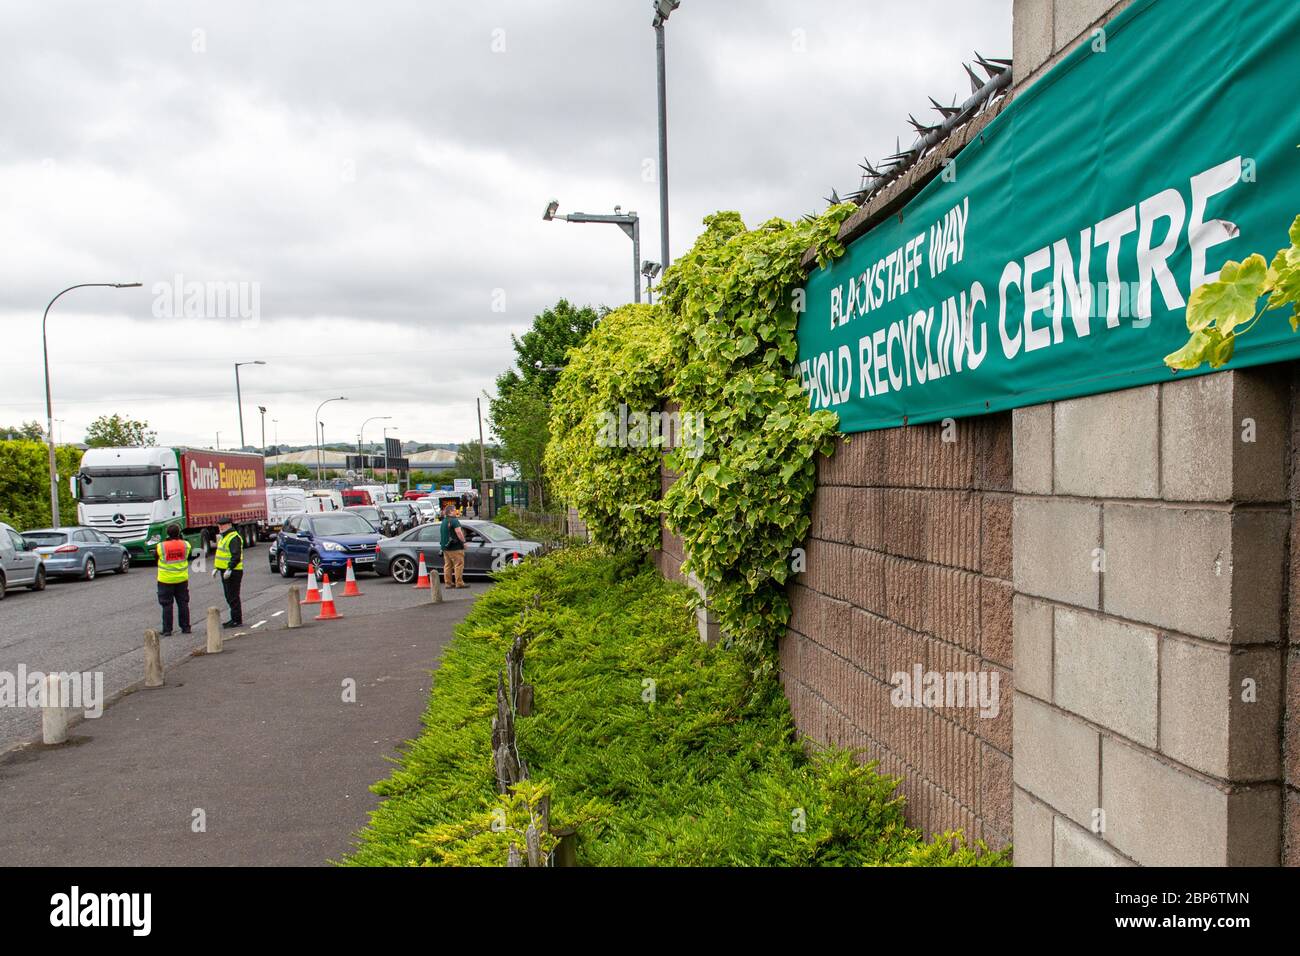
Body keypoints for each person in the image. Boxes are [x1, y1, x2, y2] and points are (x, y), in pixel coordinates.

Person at [155, 524, 192, 636]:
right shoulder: (186, 544)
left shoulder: (161, 546)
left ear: (167, 533)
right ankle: (185, 628)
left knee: (167, 605)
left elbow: (156, 557)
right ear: (179, 532)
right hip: (181, 578)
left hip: (165, 579)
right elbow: (187, 556)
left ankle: (167, 630)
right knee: (183, 603)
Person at [212, 516, 244, 627]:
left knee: (233, 596)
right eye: (219, 525)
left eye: (222, 525)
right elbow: (222, 554)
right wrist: (217, 568)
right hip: (225, 571)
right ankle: (234, 618)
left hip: (233, 571)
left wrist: (229, 568)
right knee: (229, 595)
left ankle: (236, 620)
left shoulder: (233, 537)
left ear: (229, 525)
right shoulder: (224, 537)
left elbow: (236, 556)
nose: (220, 527)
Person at [440, 502, 468, 589]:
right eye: (455, 510)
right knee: (458, 564)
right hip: (455, 547)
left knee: (448, 565)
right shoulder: (454, 520)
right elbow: (459, 532)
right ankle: (459, 583)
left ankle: (448, 583)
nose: (456, 511)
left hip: (445, 547)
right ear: (451, 511)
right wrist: (464, 542)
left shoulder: (444, 521)